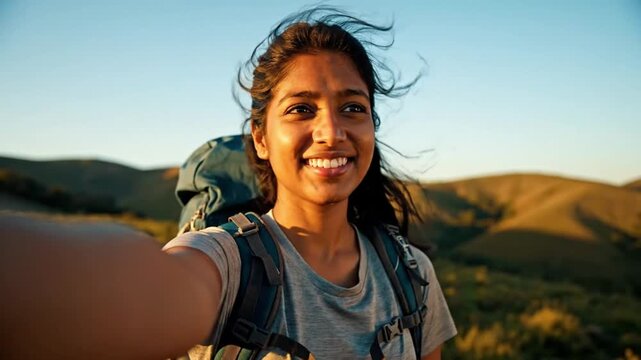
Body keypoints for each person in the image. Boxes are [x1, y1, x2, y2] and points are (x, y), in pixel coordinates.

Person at [0, 7, 456, 360]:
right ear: (260, 137)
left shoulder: (410, 274)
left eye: (352, 108)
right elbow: (151, 289)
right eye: (301, 108)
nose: (332, 131)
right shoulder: (226, 263)